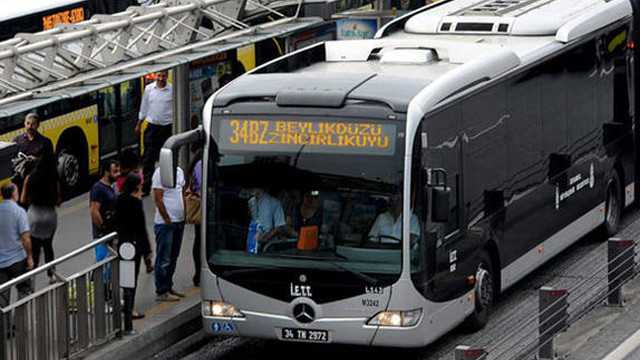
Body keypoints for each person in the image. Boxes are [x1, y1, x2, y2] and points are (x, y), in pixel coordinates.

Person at [116, 173, 152, 330]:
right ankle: (130, 310)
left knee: (125, 277)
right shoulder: (136, 204)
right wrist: (147, 253)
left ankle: (127, 305)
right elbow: (141, 229)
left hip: (122, 244)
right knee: (132, 279)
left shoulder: (119, 200)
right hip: (134, 246)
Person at [20, 152, 61, 284]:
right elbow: (58, 202)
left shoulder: (31, 178)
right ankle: (51, 275)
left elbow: (22, 199)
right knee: (48, 246)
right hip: (50, 216)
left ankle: (32, 277)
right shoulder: (55, 179)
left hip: (34, 215)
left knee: (35, 248)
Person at [152, 165, 185, 301]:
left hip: (179, 221)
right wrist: (166, 218)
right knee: (164, 258)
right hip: (165, 223)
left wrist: (185, 214)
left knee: (173, 257)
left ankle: (169, 286)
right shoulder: (160, 172)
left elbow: (181, 193)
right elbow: (158, 197)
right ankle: (161, 290)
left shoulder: (179, 171)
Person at [137, 70, 173, 196]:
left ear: (167, 76)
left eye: (163, 76)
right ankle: (146, 187)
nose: (161, 78)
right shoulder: (148, 89)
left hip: (167, 128)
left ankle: (167, 186)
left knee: (166, 158)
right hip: (152, 128)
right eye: (159, 76)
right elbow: (144, 107)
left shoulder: (172, 90)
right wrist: (139, 124)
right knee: (148, 158)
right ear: (155, 76)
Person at [0, 183, 34, 308]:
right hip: (17, 260)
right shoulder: (19, 211)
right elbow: (25, 238)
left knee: (2, 297)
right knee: (24, 291)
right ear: (15, 194)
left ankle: (5, 326)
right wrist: (30, 257)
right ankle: (19, 320)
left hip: (1, 263)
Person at [12, 113, 54, 193]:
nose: (30, 126)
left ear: (38, 125)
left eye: (33, 124)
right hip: (20, 182)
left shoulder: (45, 142)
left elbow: (51, 163)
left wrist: (36, 159)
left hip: (38, 182)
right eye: (28, 123)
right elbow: (12, 159)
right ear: (24, 124)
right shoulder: (17, 140)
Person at [90, 159, 120, 263]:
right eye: (115, 172)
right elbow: (94, 211)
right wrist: (103, 229)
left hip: (111, 233)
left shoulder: (112, 187)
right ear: (107, 172)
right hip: (102, 235)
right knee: (102, 264)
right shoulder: (98, 188)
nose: (118, 174)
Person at [247, 187, 286, 252]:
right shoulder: (251, 202)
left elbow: (279, 227)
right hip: (253, 243)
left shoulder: (275, 203)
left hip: (269, 245)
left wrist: (264, 238)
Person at [187, 150, 203, 286]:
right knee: (200, 240)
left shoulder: (197, 163)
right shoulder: (200, 164)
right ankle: (198, 273)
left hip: (203, 206)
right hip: (203, 206)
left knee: (199, 239)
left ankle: (199, 272)